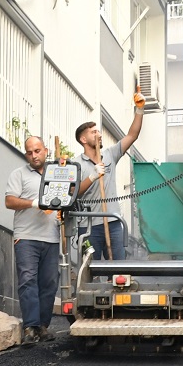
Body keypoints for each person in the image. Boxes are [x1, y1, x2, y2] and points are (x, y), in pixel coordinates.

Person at [72, 93, 145, 264]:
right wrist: (92, 176)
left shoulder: (110, 155)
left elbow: (132, 135)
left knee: (118, 268)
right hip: (88, 226)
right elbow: (73, 194)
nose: (98, 134)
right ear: (83, 139)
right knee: (91, 270)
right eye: (93, 132)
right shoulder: (76, 164)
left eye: (98, 131)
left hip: (113, 222)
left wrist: (140, 109)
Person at [3, 136, 61, 344]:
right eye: (29, 152)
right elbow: (9, 201)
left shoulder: (57, 174)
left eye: (37, 151)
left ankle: (43, 327)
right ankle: (29, 327)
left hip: (52, 236)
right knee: (28, 281)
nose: (34, 155)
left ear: (46, 150)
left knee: (49, 283)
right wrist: (35, 203)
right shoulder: (18, 174)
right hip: (26, 236)